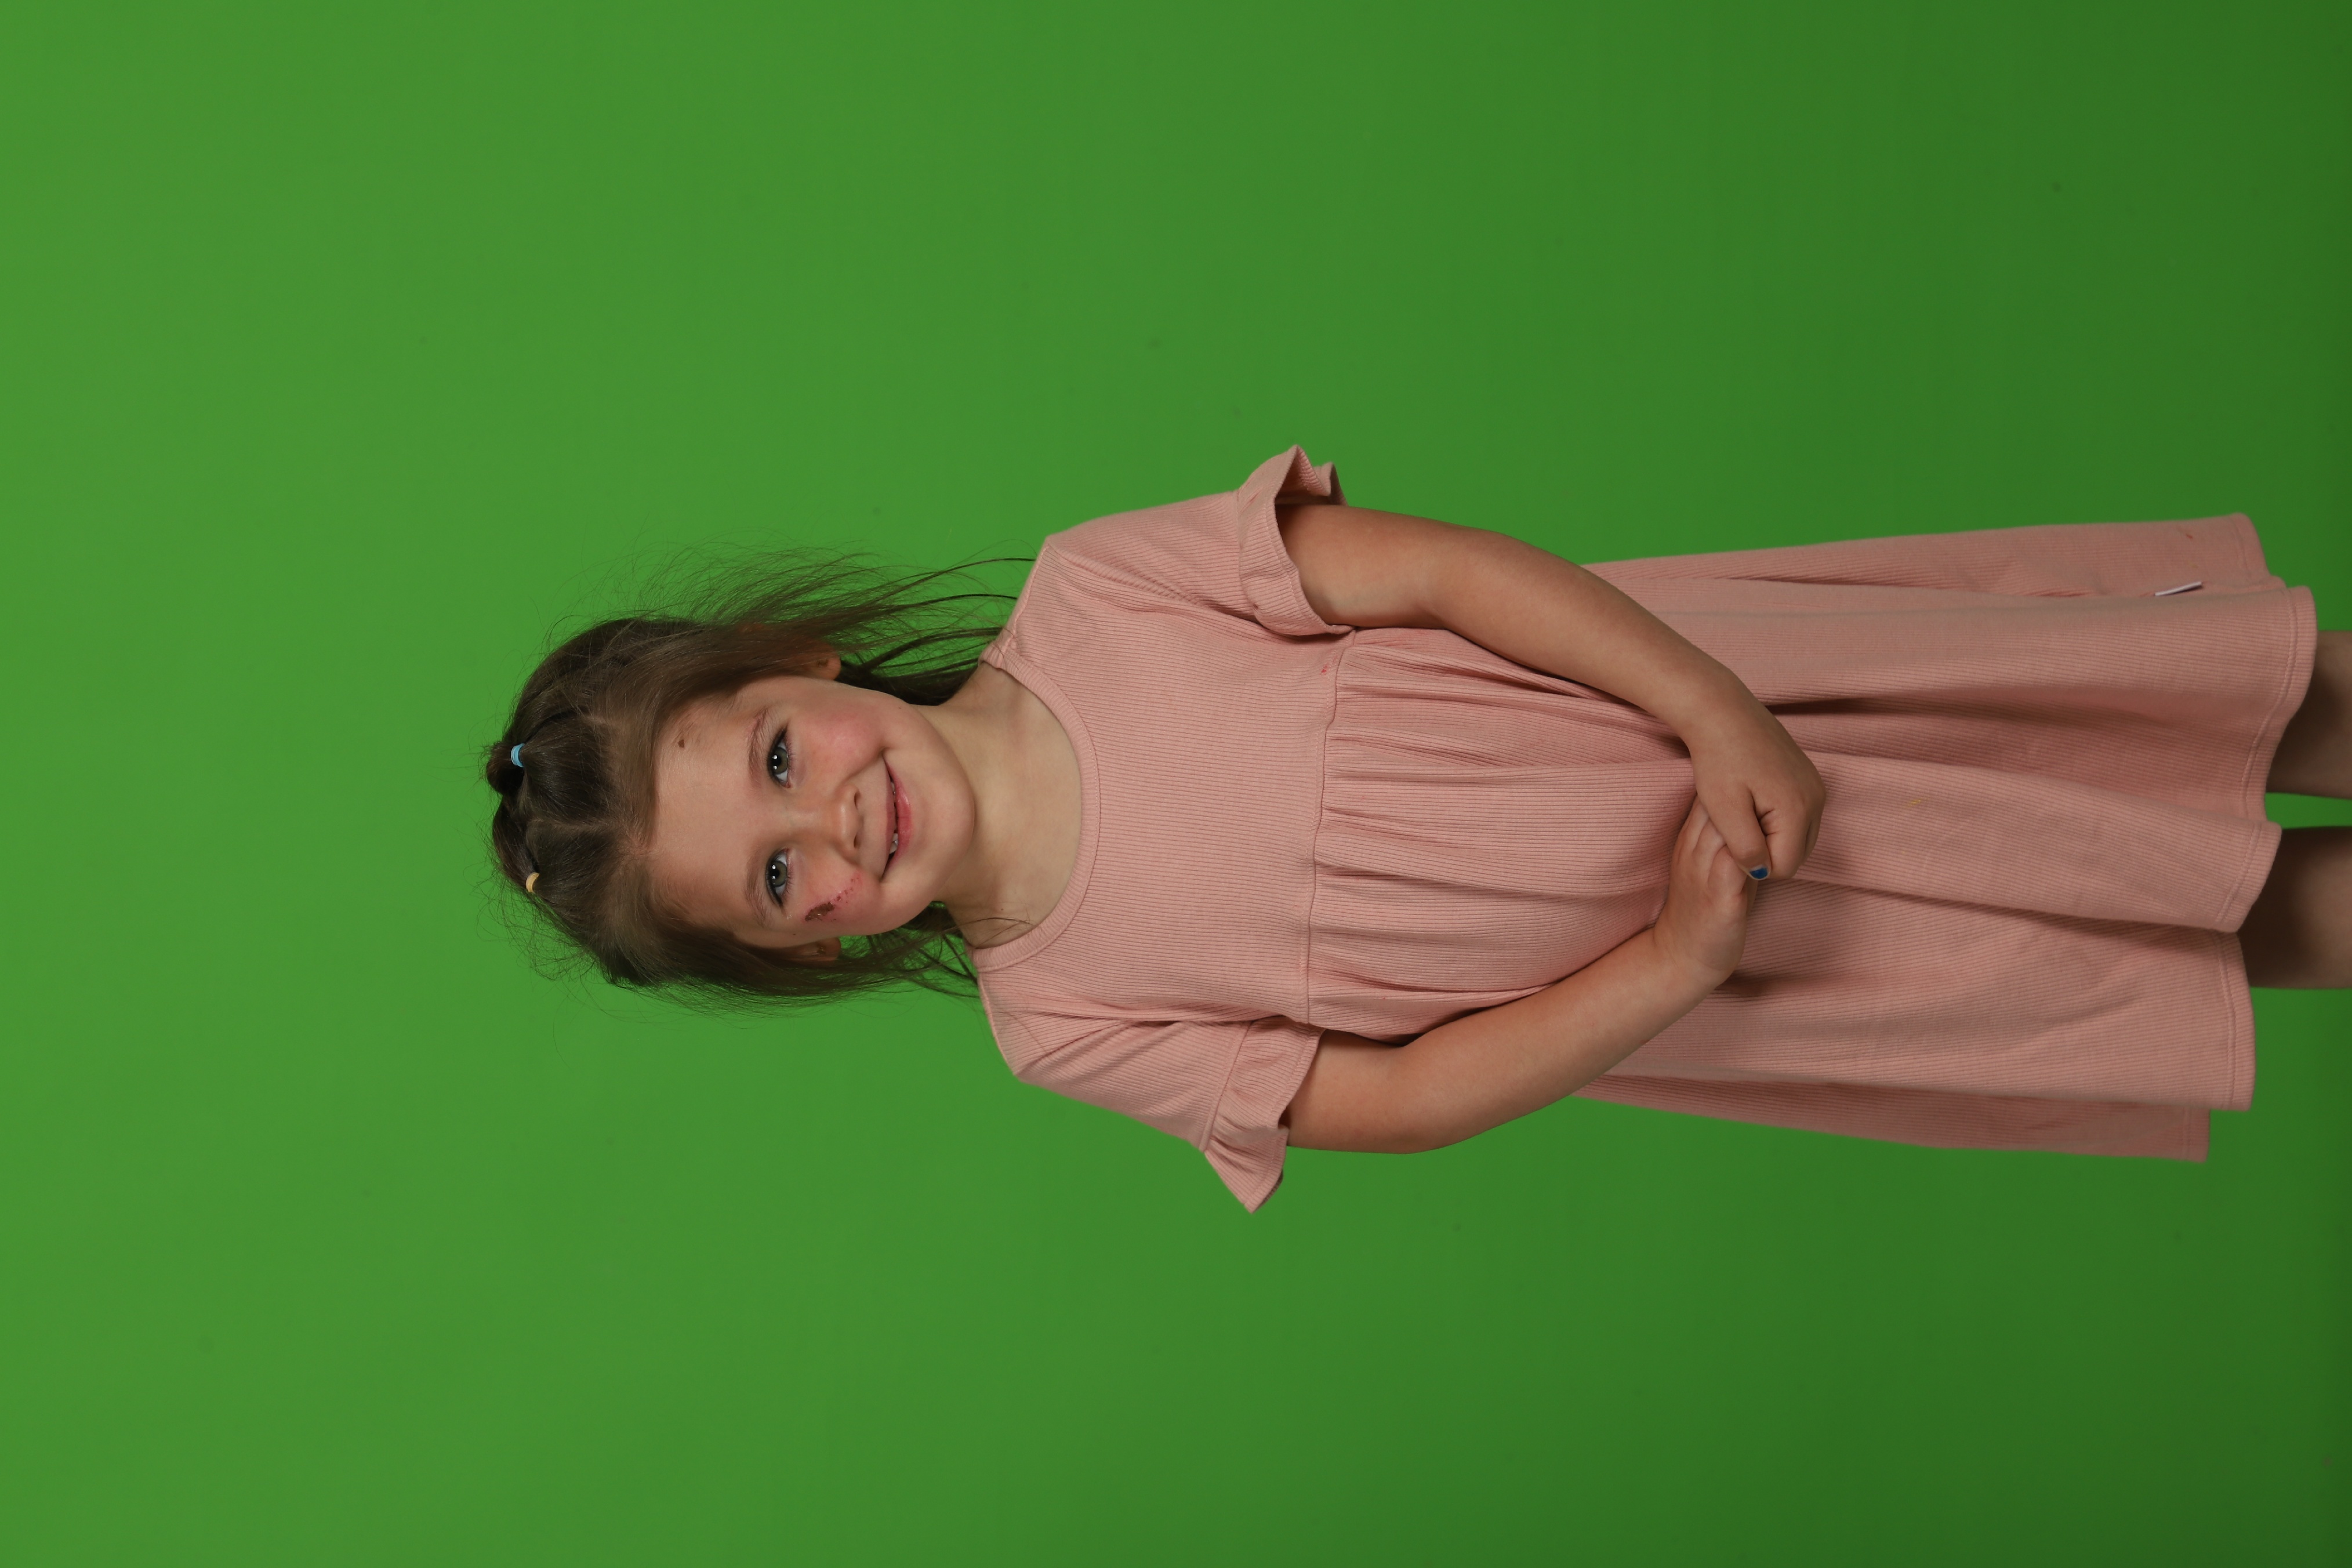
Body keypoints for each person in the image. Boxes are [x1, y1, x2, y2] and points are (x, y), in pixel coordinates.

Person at [485, 448, 2346, 1209]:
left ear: (804, 665)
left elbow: (1445, 574)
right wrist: (1678, 962)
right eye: (779, 876)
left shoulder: (1100, 591)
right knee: (2178, 916)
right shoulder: (1061, 1020)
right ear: (814, 944)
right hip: (1755, 946)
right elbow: (1401, 1098)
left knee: (2164, 712)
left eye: (779, 756)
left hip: (1741, 697)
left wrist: (1715, 708)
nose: (831, 821)